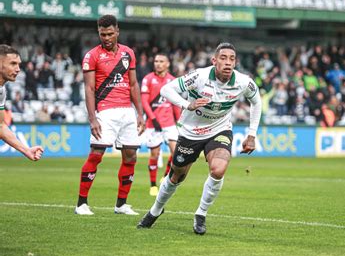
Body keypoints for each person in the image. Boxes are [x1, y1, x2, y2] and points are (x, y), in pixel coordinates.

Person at [137, 42, 262, 235]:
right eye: (223, 58)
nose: (228, 63)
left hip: (219, 129)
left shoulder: (243, 82)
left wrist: (252, 134)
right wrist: (187, 104)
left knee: (219, 169)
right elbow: (166, 90)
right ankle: (155, 210)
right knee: (176, 175)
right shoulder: (199, 76)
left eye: (232, 59)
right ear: (214, 61)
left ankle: (201, 214)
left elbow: (257, 101)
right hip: (190, 132)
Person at [75, 15, 145, 216]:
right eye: (102, 34)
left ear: (117, 31)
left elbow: (133, 84)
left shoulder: (128, 53)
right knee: (96, 154)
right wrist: (92, 118)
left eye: (110, 34)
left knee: (131, 157)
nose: (106, 38)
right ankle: (81, 204)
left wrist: (139, 113)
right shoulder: (92, 56)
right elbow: (89, 88)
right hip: (105, 111)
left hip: (127, 112)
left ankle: (121, 204)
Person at [141, 54, 181, 196]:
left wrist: (179, 121)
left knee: (176, 153)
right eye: (156, 61)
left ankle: (165, 176)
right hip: (153, 124)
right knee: (155, 154)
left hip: (169, 123)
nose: (158, 64)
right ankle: (153, 185)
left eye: (161, 61)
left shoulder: (173, 81)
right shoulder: (148, 79)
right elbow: (144, 102)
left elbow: (175, 104)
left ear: (167, 63)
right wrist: (153, 119)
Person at [0, 44, 43, 161]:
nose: (18, 69)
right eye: (13, 63)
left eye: (18, 64)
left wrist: (26, 150)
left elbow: (1, 126)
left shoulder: (1, 91)